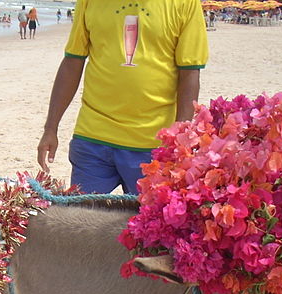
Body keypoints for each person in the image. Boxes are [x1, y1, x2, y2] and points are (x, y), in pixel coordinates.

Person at [37, 0, 208, 194]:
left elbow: (190, 73)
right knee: (84, 218)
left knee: (146, 223)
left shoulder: (185, 3)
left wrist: (180, 135)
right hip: (92, 137)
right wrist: (50, 128)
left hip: (153, 145)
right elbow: (72, 62)